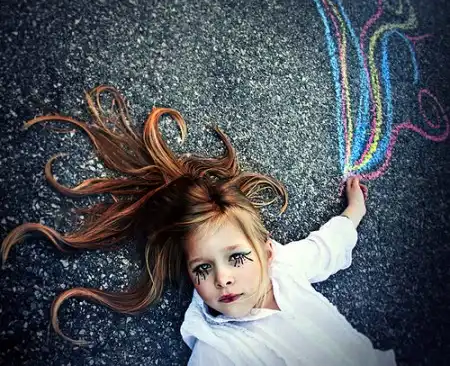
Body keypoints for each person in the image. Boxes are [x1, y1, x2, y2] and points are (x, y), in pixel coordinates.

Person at [1, 85, 396, 365]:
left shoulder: (285, 267)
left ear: (266, 251)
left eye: (236, 258)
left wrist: (353, 213)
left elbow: (325, 248)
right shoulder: (216, 349)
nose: (222, 279)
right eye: (203, 268)